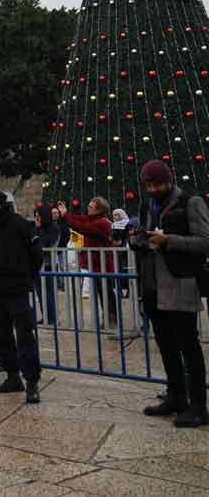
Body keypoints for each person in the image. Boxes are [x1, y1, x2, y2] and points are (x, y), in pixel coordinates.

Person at [134, 160, 209, 428]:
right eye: (149, 185)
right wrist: (138, 239)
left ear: (169, 181)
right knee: (165, 345)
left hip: (179, 283)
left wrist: (169, 240)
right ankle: (176, 397)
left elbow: (205, 241)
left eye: (157, 184)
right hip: (152, 284)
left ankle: (199, 405)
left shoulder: (191, 202)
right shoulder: (147, 206)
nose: (153, 189)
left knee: (188, 346)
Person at [0, 191, 43, 404]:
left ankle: (32, 382)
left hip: (16, 289)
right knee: (1, 335)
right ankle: (12, 376)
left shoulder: (20, 225)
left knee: (25, 336)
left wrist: (26, 277)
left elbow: (37, 256)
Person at [58, 198, 117, 323]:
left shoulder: (101, 222)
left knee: (106, 292)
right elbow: (80, 219)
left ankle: (111, 318)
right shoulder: (95, 219)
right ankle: (108, 317)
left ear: (99, 209)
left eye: (91, 207)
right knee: (103, 291)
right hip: (96, 262)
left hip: (103, 263)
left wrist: (66, 215)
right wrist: (66, 213)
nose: (88, 208)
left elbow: (80, 227)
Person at [33, 207, 60, 324]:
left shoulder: (53, 227)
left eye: (39, 215)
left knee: (49, 293)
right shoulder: (37, 228)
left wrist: (39, 230)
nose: (37, 218)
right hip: (37, 265)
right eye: (35, 215)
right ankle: (46, 316)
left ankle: (52, 318)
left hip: (49, 264)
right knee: (40, 293)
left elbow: (46, 244)